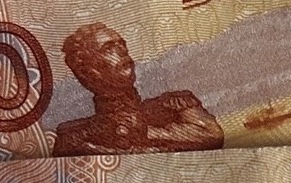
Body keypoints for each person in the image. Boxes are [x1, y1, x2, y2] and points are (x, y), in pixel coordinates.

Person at [53, 21, 223, 155]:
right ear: (86, 72)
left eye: (121, 44)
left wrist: (146, 132)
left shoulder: (174, 106)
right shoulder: (74, 136)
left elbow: (213, 136)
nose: (122, 51)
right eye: (109, 48)